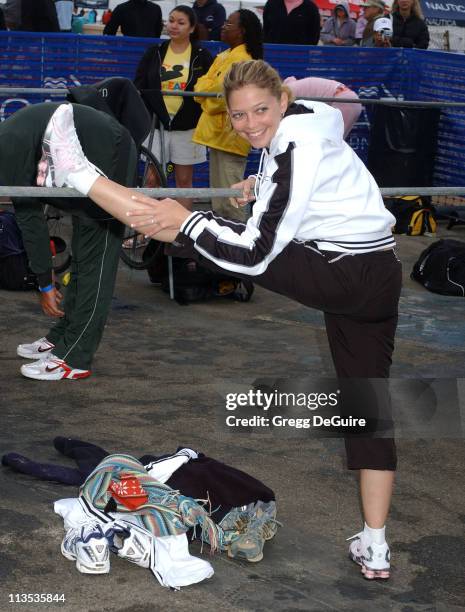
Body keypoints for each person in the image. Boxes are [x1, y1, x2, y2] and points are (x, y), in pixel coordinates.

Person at [37, 58, 401, 580]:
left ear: (281, 100)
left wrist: (187, 220)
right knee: (368, 406)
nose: (251, 123)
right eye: (238, 115)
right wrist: (264, 183)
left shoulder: (294, 144)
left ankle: (78, 174)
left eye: (260, 110)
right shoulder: (315, 116)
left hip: (342, 271)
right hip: (381, 276)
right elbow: (309, 170)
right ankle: (376, 545)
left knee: (185, 227)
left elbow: (256, 255)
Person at [0, 103, 137, 380]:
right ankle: (65, 334)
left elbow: (31, 221)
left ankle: (75, 356)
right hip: (86, 154)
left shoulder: (8, 152)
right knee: (82, 254)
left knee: (96, 259)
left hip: (108, 152)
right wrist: (45, 279)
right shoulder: (7, 145)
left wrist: (45, 282)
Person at [134, 5, 213, 210]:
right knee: (151, 181)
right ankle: (146, 232)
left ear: (192, 28)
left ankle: (181, 234)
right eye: (171, 20)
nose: (174, 26)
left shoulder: (203, 55)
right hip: (155, 126)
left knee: (184, 182)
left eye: (181, 22)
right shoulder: (154, 52)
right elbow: (138, 86)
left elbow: (211, 89)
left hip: (187, 129)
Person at [193, 9, 263, 221]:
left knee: (231, 201)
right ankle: (224, 245)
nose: (223, 26)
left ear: (241, 32)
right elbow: (201, 87)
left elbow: (219, 99)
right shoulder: (225, 56)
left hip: (230, 137)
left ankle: (242, 244)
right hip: (218, 136)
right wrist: (207, 93)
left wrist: (206, 95)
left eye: (229, 24)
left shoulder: (242, 60)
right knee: (220, 199)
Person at [283, 76, 361, 138]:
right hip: (349, 100)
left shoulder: (288, 91)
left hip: (345, 102)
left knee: (332, 143)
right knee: (333, 143)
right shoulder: (296, 86)